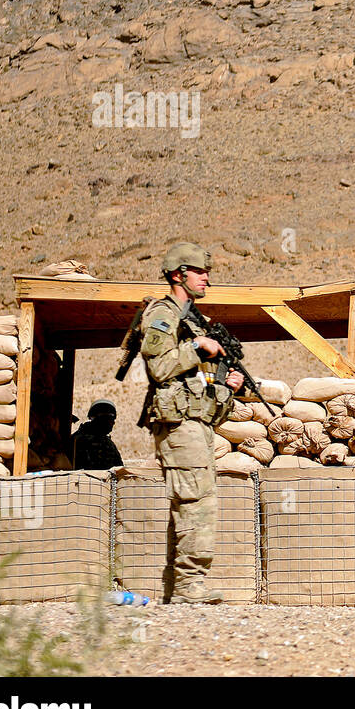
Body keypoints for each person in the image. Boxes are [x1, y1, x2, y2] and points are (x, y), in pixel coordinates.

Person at [139, 242, 243, 605]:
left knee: (194, 501)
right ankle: (188, 588)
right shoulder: (163, 316)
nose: (206, 279)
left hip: (196, 424)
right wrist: (197, 349)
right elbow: (159, 368)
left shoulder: (193, 321)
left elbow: (205, 401)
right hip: (177, 425)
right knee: (196, 502)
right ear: (177, 274)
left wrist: (227, 390)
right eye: (200, 271)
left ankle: (181, 588)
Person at [71, 399, 122, 470]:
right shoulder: (78, 441)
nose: (113, 423)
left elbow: (119, 468)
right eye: (110, 419)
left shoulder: (107, 442)